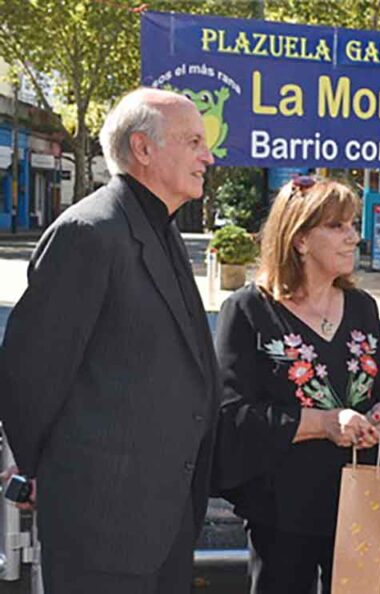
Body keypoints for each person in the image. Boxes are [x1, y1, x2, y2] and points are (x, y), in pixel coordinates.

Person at [0, 87, 218, 593]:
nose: (207, 156)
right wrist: (43, 472)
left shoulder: (160, 228)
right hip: (100, 529)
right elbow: (30, 375)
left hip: (163, 522)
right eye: (192, 141)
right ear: (143, 148)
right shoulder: (90, 232)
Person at [212, 176, 380, 594]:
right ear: (300, 239)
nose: (353, 237)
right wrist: (324, 423)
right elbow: (233, 417)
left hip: (361, 500)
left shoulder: (362, 307)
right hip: (282, 509)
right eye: (337, 226)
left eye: (352, 225)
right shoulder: (249, 310)